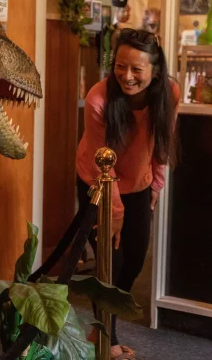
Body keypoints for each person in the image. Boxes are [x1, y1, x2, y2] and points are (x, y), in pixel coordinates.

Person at [76, 28, 180, 360]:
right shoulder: (98, 99)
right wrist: (115, 213)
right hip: (98, 182)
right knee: (110, 260)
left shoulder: (170, 93)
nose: (127, 76)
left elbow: (163, 141)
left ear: (156, 70)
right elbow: (99, 162)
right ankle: (107, 336)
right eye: (121, 66)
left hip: (138, 183)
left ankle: (104, 324)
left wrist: (156, 186)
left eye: (137, 69)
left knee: (135, 257)